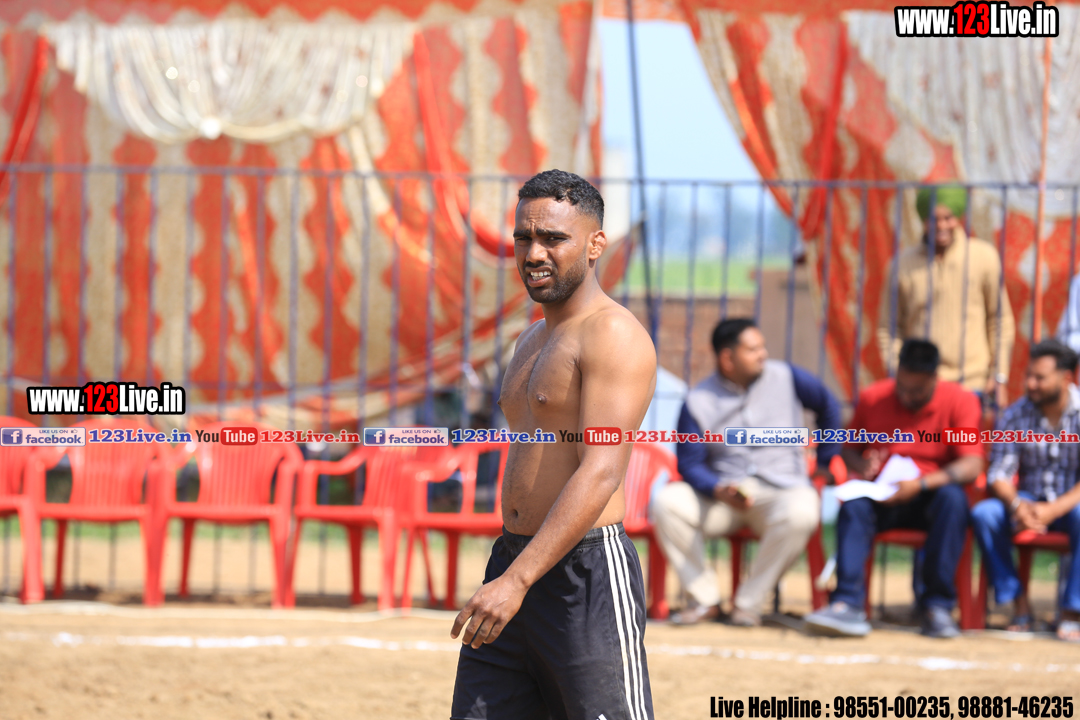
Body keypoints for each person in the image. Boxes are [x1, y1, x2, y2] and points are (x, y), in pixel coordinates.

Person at [450, 170, 658, 720]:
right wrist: (513, 573)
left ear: (595, 245)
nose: (534, 253)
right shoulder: (530, 339)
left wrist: (517, 580)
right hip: (513, 560)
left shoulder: (613, 333)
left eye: (553, 238)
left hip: (584, 575)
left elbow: (601, 470)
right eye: (524, 238)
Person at [651, 318, 841, 627]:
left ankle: (748, 604)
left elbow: (829, 406)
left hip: (781, 491)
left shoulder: (787, 377)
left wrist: (825, 461)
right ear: (728, 358)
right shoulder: (698, 401)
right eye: (753, 350)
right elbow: (689, 463)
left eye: (762, 347)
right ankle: (705, 599)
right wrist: (716, 488)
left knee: (803, 510)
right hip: (723, 498)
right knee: (668, 502)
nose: (763, 354)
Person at [804, 339, 984, 639]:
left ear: (934, 378)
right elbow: (848, 449)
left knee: (953, 500)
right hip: (883, 496)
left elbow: (972, 464)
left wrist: (920, 484)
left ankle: (936, 607)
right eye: (902, 387)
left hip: (929, 498)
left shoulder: (960, 400)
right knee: (854, 505)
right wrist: (862, 466)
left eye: (917, 391)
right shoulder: (874, 397)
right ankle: (847, 604)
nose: (907, 396)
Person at [970, 339, 1080, 641]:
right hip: (1026, 501)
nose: (1031, 384)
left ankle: (1073, 611)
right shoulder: (1016, 414)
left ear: (1066, 378)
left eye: (1040, 378)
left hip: (1070, 504)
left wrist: (1053, 510)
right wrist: (1018, 505)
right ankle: (1018, 602)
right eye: (1028, 375)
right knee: (984, 514)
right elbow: (998, 474)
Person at [876, 186, 1014, 412]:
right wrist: (899, 375)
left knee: (966, 436)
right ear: (923, 220)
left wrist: (999, 376)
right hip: (920, 387)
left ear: (958, 217)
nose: (941, 226)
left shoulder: (983, 257)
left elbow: (999, 321)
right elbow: (889, 329)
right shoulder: (901, 265)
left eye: (948, 218)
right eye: (933, 219)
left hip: (972, 384)